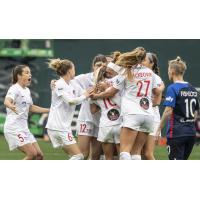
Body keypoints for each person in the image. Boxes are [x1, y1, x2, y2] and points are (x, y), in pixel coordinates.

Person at [89, 47, 161, 160]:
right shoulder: (150, 72)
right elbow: (157, 92)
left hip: (132, 114)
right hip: (148, 114)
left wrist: (96, 96)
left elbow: (112, 92)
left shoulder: (127, 71)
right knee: (136, 153)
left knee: (124, 151)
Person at [156, 56, 199, 160]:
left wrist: (158, 129)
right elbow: (196, 111)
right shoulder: (192, 88)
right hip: (191, 133)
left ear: (171, 71)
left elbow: (168, 111)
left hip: (176, 134)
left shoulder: (173, 88)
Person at [4, 65, 49, 160]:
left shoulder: (27, 90)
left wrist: (49, 110)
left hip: (24, 129)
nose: (30, 75)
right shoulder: (14, 88)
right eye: (27, 72)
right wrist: (10, 105)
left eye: (30, 72)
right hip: (14, 128)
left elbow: (31, 107)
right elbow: (6, 101)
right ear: (19, 76)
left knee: (39, 155)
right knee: (32, 154)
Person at [46, 58, 88, 160]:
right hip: (58, 127)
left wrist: (92, 92)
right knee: (79, 156)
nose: (75, 71)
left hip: (61, 127)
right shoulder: (59, 84)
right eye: (74, 68)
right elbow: (70, 101)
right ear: (69, 71)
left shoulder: (72, 84)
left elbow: (84, 93)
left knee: (74, 156)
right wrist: (85, 96)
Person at [74, 54, 107, 159]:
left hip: (100, 121)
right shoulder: (85, 78)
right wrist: (55, 83)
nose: (100, 68)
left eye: (103, 65)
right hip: (86, 119)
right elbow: (68, 82)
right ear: (93, 66)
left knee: (96, 156)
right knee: (83, 154)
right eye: (98, 65)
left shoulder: (109, 80)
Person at [90, 58, 124, 159]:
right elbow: (124, 104)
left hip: (105, 125)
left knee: (108, 158)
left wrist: (94, 98)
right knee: (122, 157)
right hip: (119, 123)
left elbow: (93, 110)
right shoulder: (117, 85)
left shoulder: (94, 89)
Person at [138, 52, 165, 160]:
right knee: (138, 153)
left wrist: (140, 105)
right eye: (141, 60)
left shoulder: (156, 78)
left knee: (148, 153)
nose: (141, 63)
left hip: (151, 117)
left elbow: (157, 101)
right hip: (140, 116)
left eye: (144, 60)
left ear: (152, 63)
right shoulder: (138, 75)